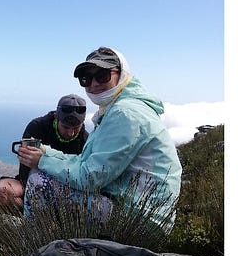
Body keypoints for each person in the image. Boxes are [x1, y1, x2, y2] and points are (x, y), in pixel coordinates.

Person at [16, 47, 182, 228]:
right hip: (139, 212)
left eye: (102, 75)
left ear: (121, 73)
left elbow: (90, 178)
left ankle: (34, 247)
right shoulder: (118, 109)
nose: (93, 84)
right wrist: (45, 153)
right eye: (86, 79)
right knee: (45, 173)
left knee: (38, 182)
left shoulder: (125, 114)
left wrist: (43, 161)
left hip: (138, 221)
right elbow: (87, 163)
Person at [0, 94, 89, 211]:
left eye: (76, 127)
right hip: (29, 180)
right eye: (66, 127)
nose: (71, 133)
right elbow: (26, 166)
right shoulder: (38, 127)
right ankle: (36, 217)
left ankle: (49, 217)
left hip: (65, 188)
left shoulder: (85, 140)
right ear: (56, 117)